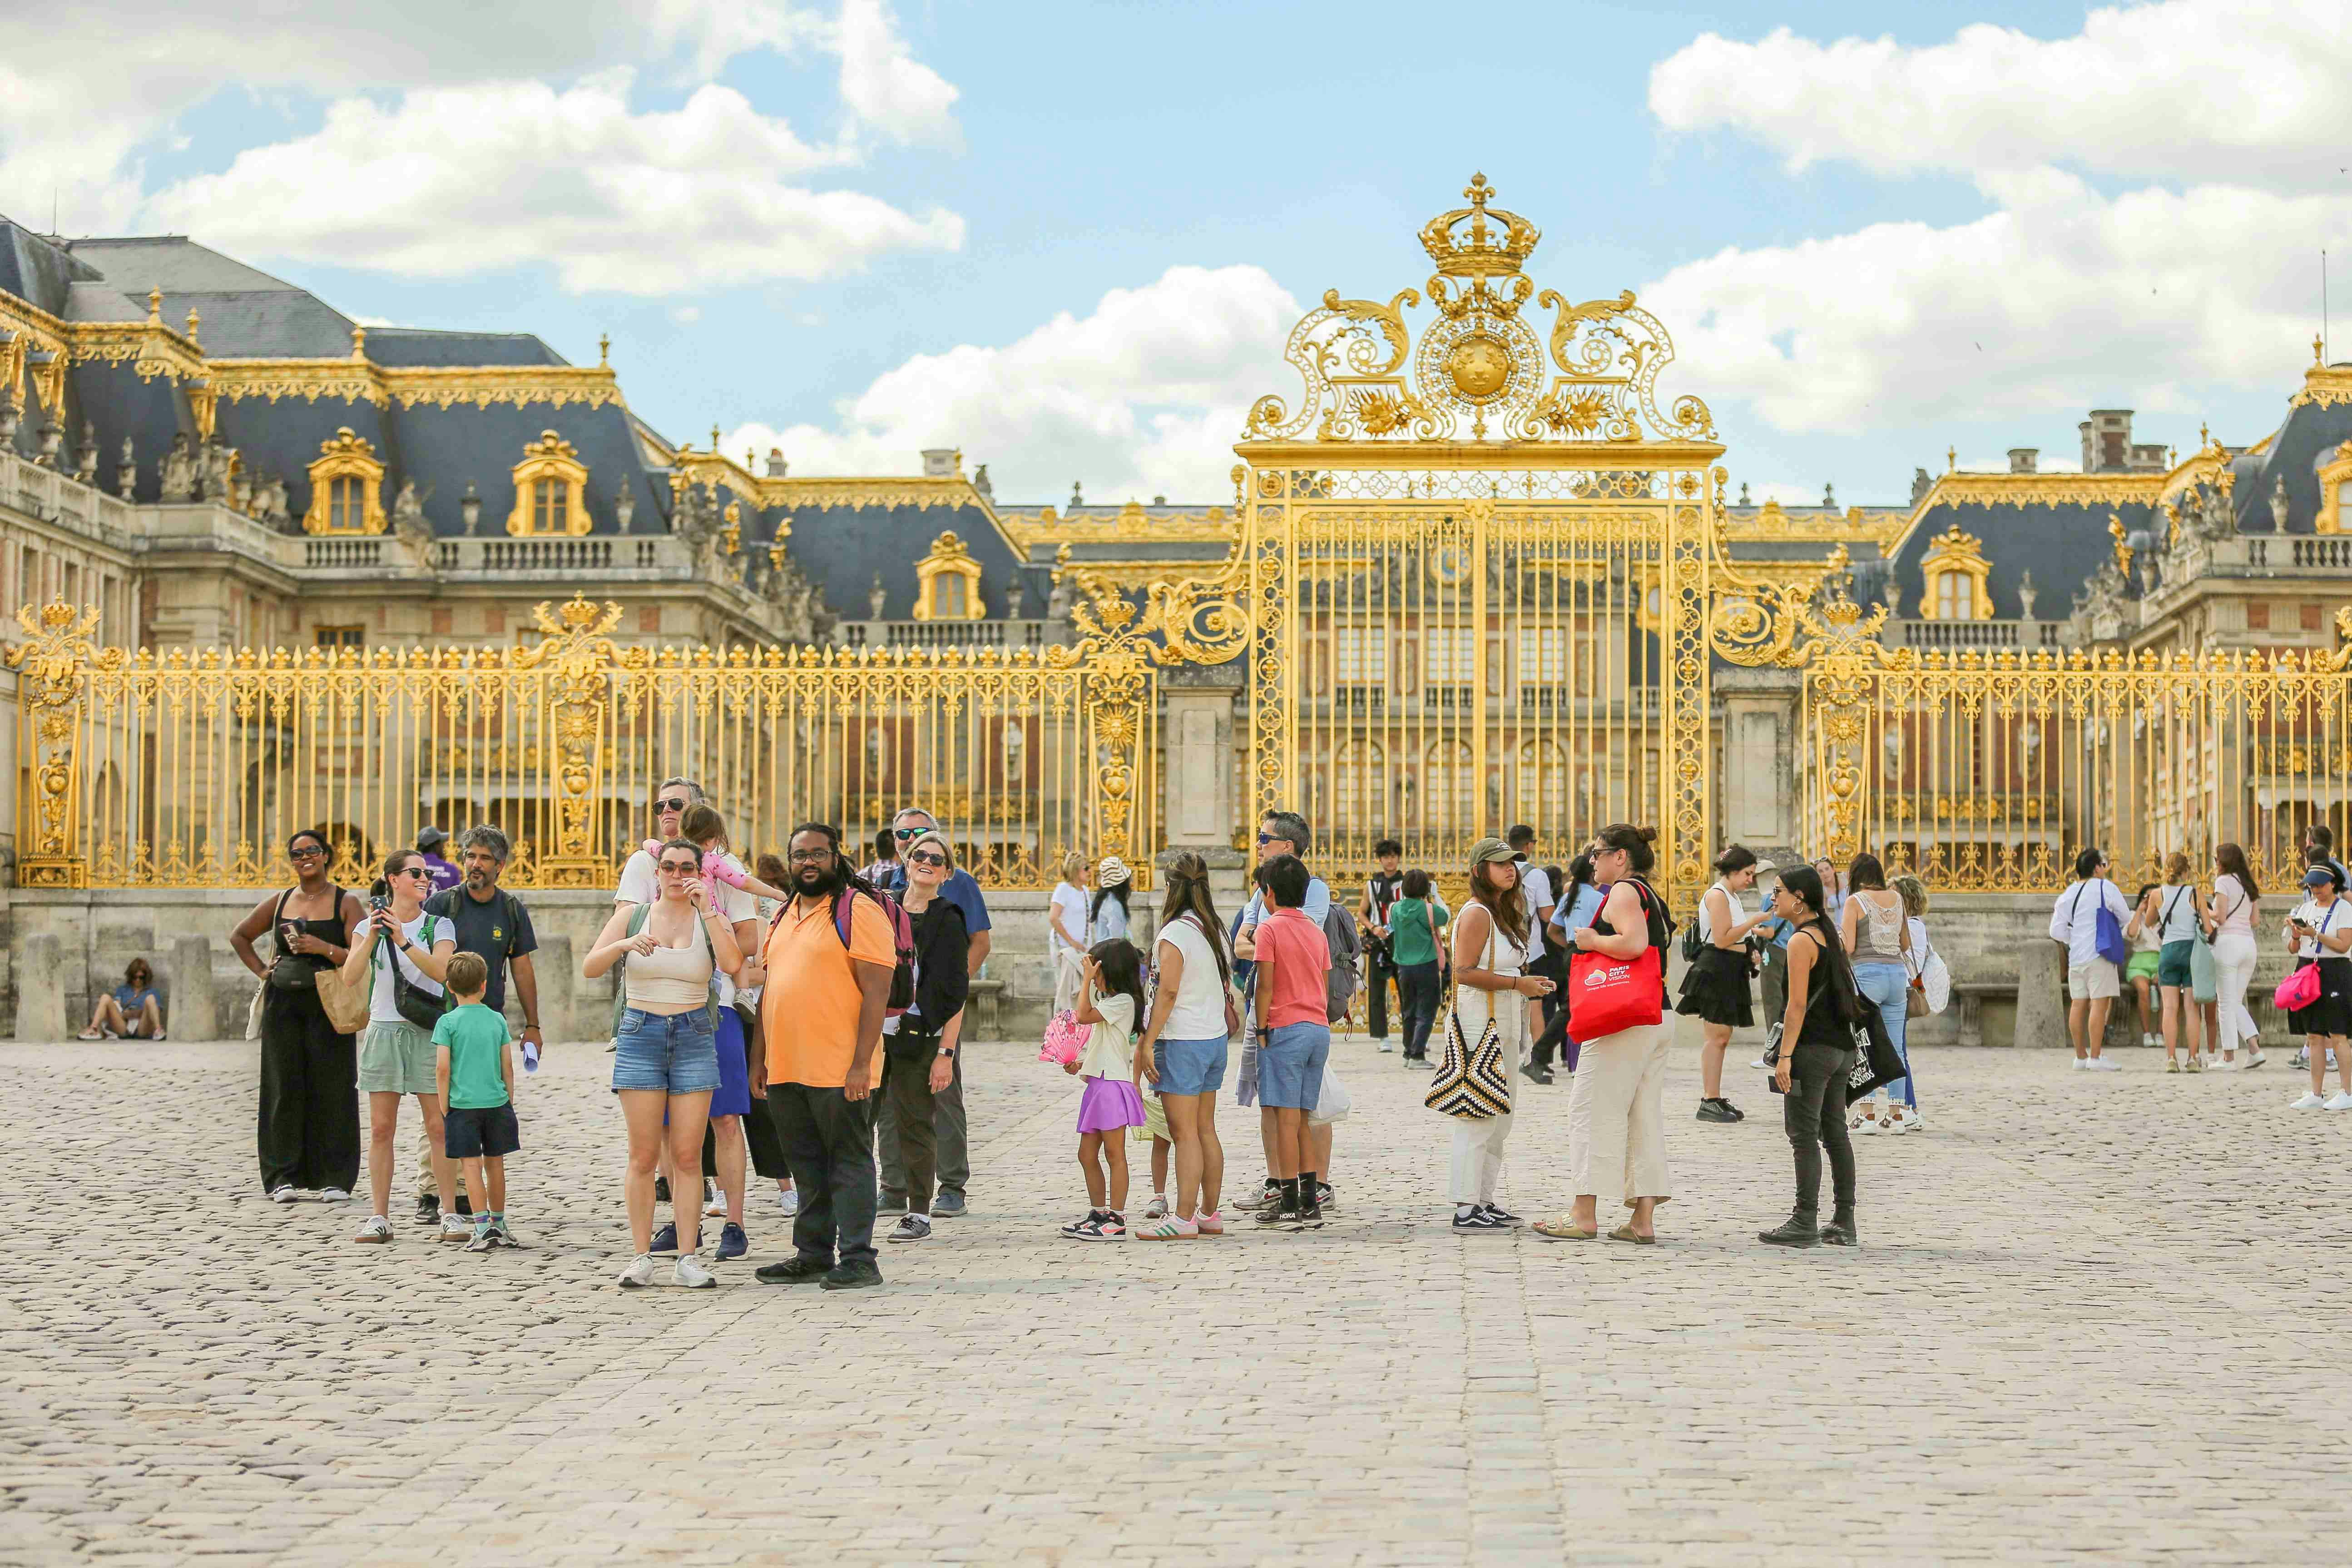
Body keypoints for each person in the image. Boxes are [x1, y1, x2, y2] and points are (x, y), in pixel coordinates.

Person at [584, 838, 743, 1289]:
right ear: (656, 873)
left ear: (701, 872)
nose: (676, 875)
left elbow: (733, 963)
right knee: (643, 1154)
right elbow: (590, 967)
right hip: (642, 1033)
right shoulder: (633, 915)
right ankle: (640, 1256)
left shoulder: (709, 916)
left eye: (686, 867)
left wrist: (708, 909)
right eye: (668, 867)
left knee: (689, 1154)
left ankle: (688, 1257)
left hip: (693, 1034)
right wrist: (625, 945)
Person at [753, 824, 895, 1291]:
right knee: (806, 1165)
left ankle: (859, 1259)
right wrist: (760, 1059)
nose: (808, 863)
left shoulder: (858, 909)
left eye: (817, 854)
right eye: (799, 855)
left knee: (849, 1161)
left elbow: (876, 993)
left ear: (836, 857)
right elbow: (769, 990)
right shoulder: (783, 913)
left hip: (840, 1068)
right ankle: (813, 1253)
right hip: (787, 1067)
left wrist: (860, 1063)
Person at [1534, 823, 1671, 1245]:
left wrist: (1592, 939)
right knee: (1643, 1116)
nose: (1591, 861)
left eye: (1598, 853)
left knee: (1590, 1108)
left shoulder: (1624, 892)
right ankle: (1641, 1219)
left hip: (1622, 1017)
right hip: (1656, 1013)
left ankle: (1583, 1213)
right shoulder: (1651, 894)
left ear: (1621, 858)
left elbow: (1633, 944)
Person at [228, 829, 364, 1202]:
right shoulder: (280, 901)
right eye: (297, 854)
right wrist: (262, 970)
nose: (305, 858)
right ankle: (281, 1176)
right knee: (282, 1088)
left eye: (312, 851)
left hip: (328, 1004)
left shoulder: (346, 902)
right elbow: (240, 936)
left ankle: (335, 1176)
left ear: (326, 855)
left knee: (333, 1087)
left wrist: (322, 947)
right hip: (283, 1004)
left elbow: (360, 953)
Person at [415, 824, 540, 1227]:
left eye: (485, 858)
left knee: (480, 1104)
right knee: (439, 1107)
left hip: (489, 1024)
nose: (475, 864)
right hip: (444, 1019)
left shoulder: (510, 909)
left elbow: (521, 967)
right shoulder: (441, 905)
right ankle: (432, 1190)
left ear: (500, 865)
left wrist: (533, 1024)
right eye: (470, 856)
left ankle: (471, 1195)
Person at [872, 804, 992, 1219]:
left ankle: (952, 1183)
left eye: (923, 835)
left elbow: (979, 940)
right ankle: (893, 1185)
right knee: (888, 1103)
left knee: (942, 1097)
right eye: (906, 837)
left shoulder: (959, 887)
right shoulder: (886, 888)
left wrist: (945, 989)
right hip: (889, 1021)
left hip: (933, 1018)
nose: (916, 846)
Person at [339, 849, 461, 1244]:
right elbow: (350, 976)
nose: (424, 878)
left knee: (438, 1125)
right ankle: (379, 1215)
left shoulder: (438, 925)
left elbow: (443, 972)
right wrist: (373, 935)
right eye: (415, 872)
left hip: (427, 1031)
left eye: (426, 873)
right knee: (381, 1129)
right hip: (384, 1029)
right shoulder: (367, 925)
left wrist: (404, 942)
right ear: (393, 880)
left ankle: (449, 1212)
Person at [1232, 811, 1336, 1215]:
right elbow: (1323, 982)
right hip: (1316, 1027)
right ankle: (1310, 1199)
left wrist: (1260, 1029)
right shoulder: (1313, 929)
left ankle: (1289, 1200)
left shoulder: (1271, 928)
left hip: (1282, 1027)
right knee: (1304, 1116)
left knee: (1284, 1117)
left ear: (1270, 894)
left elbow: (1267, 984)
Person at [1447, 838, 1554, 1232]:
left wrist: (1525, 983)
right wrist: (1516, 985)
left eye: (1512, 863)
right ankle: (1464, 1206)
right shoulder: (1476, 913)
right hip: (1480, 1026)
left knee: (1500, 1119)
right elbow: (1462, 971)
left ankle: (1484, 1199)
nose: (1509, 869)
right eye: (1499, 864)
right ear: (1479, 870)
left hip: (1506, 1026)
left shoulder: (1504, 913)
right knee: (1477, 1116)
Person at [1758, 862, 1860, 1248]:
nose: (1773, 897)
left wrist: (1785, 1057)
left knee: (1803, 1135)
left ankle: (1804, 1219)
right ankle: (1844, 1220)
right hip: (1841, 1049)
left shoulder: (1801, 941)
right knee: (1835, 1132)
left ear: (1799, 899)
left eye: (1779, 890)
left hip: (1812, 1050)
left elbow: (1795, 1006)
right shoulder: (1828, 933)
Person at [1132, 851, 1233, 1240]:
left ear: (1170, 887)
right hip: (1211, 1038)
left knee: (1183, 1132)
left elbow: (1168, 990)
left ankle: (1183, 1215)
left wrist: (1148, 1041)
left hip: (1183, 1040)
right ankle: (1209, 1211)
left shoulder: (1174, 932)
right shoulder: (1211, 928)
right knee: (1205, 1128)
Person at [877, 828, 969, 1244]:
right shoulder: (882, 907)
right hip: (873, 1030)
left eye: (935, 858)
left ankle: (918, 1211)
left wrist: (945, 1053)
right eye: (919, 855)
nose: (925, 862)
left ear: (947, 871)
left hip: (918, 1032)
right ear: (906, 861)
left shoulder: (947, 917)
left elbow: (955, 993)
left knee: (915, 1122)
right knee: (859, 1118)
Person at [432, 952, 521, 1251]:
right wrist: (508, 1097)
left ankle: (481, 1226)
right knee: (496, 1165)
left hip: (462, 1105)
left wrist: (444, 1104)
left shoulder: (447, 1023)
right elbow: (507, 1065)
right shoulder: (497, 1019)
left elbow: (443, 1068)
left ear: (449, 986)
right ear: (484, 986)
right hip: (496, 1103)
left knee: (471, 1166)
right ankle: (499, 1222)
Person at [1060, 939, 1148, 1238]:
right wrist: (1081, 1063)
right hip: (1098, 1081)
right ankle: (1098, 1212)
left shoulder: (1123, 1002)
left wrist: (1084, 981)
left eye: (1096, 969)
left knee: (1114, 1153)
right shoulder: (1112, 1002)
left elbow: (1082, 1016)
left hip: (1112, 1084)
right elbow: (1103, 1041)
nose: (1093, 975)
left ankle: (1118, 1217)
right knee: (1086, 1154)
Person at [1680, 845, 1769, 1123]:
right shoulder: (1718, 895)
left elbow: (1733, 938)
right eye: (1747, 874)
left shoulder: (1730, 895)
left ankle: (1714, 1097)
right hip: (1716, 969)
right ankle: (1709, 1099)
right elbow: (1721, 939)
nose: (1750, 880)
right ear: (1732, 872)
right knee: (1716, 1038)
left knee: (1722, 1038)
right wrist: (1754, 923)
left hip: (1729, 969)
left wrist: (1749, 947)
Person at [1839, 854, 1916, 1128]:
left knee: (1865, 1044)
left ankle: (1867, 1113)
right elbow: (1905, 944)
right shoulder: (1897, 899)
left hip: (1867, 976)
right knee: (1896, 1048)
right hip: (1897, 976)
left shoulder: (1855, 901)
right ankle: (1897, 1115)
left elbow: (1847, 946)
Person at [743, 850, 798, 1218]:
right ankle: (716, 1187)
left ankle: (787, 1184)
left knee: (764, 1107)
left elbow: (768, 970)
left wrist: (738, 972)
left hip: (753, 1011)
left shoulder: (764, 914)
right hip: (718, 1013)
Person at [2050, 847, 2130, 1070]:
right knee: (2099, 1003)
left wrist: (2073, 938)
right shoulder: (2106, 888)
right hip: (2100, 954)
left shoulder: (2069, 894)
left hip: (2077, 957)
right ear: (2097, 868)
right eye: (2103, 865)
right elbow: (2125, 917)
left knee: (2078, 1003)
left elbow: (2056, 931)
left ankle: (2080, 1056)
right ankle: (2096, 1057)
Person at [2284, 863, 2352, 1109]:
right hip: (2308, 969)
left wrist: (2315, 934)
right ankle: (2316, 1092)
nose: (2316, 890)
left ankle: (2347, 1091)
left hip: (2334, 970)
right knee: (2313, 1034)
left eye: (2320, 885)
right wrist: (2295, 933)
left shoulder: (2344, 908)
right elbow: (2293, 949)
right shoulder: (2307, 907)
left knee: (2337, 1033)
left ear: (2333, 883)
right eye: (2312, 886)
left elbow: (2344, 945)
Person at [1533, 851, 1604, 1076]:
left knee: (1573, 1007)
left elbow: (1553, 931)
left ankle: (1547, 1055)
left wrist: (1569, 948)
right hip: (1591, 953)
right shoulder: (1598, 898)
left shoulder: (1568, 897)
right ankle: (1541, 1054)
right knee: (1574, 1008)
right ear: (1593, 873)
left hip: (1572, 952)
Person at [1506, 826, 1561, 1083]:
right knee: (1536, 1007)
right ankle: (1537, 1060)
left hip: (1504, 949)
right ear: (1529, 846)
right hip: (1532, 951)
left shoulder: (1496, 873)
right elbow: (1547, 916)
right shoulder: (1537, 876)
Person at [2204, 843, 2265, 1070]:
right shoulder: (2249, 884)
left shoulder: (2223, 882)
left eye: (2216, 859)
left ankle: (2229, 1058)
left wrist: (2203, 909)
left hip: (2228, 945)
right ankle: (2254, 1050)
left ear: (2224, 861)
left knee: (2226, 1004)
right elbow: (2255, 920)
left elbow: (2219, 917)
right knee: (2234, 1001)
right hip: (2248, 945)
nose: (2215, 864)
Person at [2150, 854, 2208, 1071]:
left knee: (2170, 1008)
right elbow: (2209, 928)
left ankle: (2171, 1058)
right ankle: (2193, 1058)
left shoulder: (2158, 894)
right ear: (2187, 872)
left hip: (2169, 951)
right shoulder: (2195, 893)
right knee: (2192, 1009)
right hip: (2191, 952)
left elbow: (2149, 921)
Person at [1388, 869, 1449, 1066]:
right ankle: (1418, 1054)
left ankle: (1408, 1051)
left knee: (1409, 1010)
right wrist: (1434, 897)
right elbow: (1445, 917)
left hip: (1403, 966)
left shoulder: (1395, 908)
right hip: (1426, 964)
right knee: (1427, 1010)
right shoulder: (1427, 909)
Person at [1361, 838, 1406, 1049]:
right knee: (1378, 989)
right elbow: (1362, 913)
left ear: (1398, 858)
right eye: (1386, 857)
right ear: (1380, 859)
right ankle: (1382, 1037)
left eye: (1393, 856)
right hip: (1379, 939)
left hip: (1402, 939)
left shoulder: (1406, 883)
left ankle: (1412, 1034)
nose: (1390, 861)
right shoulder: (1371, 885)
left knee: (1407, 987)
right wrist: (1373, 928)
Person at [79, 958, 163, 1040]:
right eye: (135, 977)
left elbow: (156, 1013)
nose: (138, 980)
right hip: (124, 1026)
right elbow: (116, 1008)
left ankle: (159, 1030)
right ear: (131, 977)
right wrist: (126, 1014)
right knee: (105, 997)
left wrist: (137, 1013)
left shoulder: (152, 992)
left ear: (146, 977)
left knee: (151, 998)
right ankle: (93, 1029)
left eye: (141, 977)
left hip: (142, 1026)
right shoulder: (123, 990)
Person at [2123, 881, 2163, 1050]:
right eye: (2148, 897)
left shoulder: (2165, 918)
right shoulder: (2135, 916)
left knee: (2166, 989)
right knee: (2143, 989)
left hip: (2161, 962)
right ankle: (2147, 1034)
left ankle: (2161, 1033)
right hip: (2139, 963)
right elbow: (2131, 934)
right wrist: (2140, 911)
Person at [415, 826, 462, 895]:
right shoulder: (452, 870)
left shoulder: (414, 869)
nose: (443, 848)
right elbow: (457, 898)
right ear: (435, 846)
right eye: (441, 844)